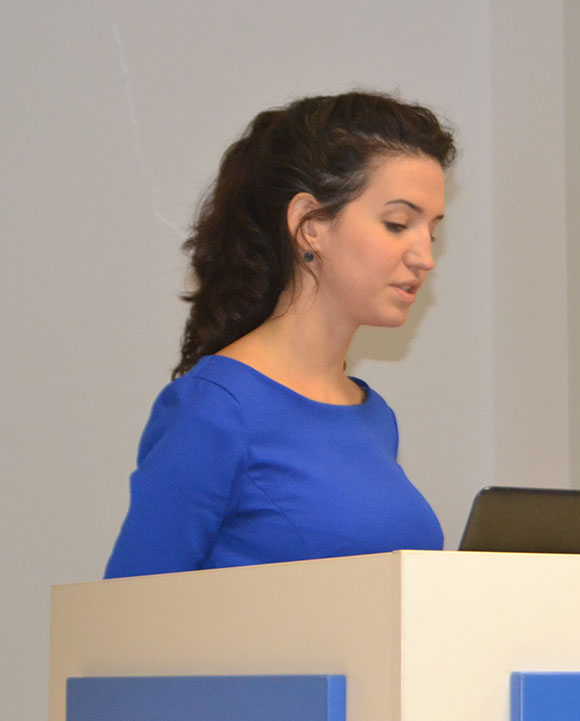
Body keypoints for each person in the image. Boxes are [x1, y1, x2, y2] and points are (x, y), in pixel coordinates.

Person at [104, 92, 455, 578]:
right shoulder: (215, 409)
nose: (424, 257)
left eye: (430, 232)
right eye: (397, 224)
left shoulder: (374, 418)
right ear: (309, 225)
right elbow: (125, 610)